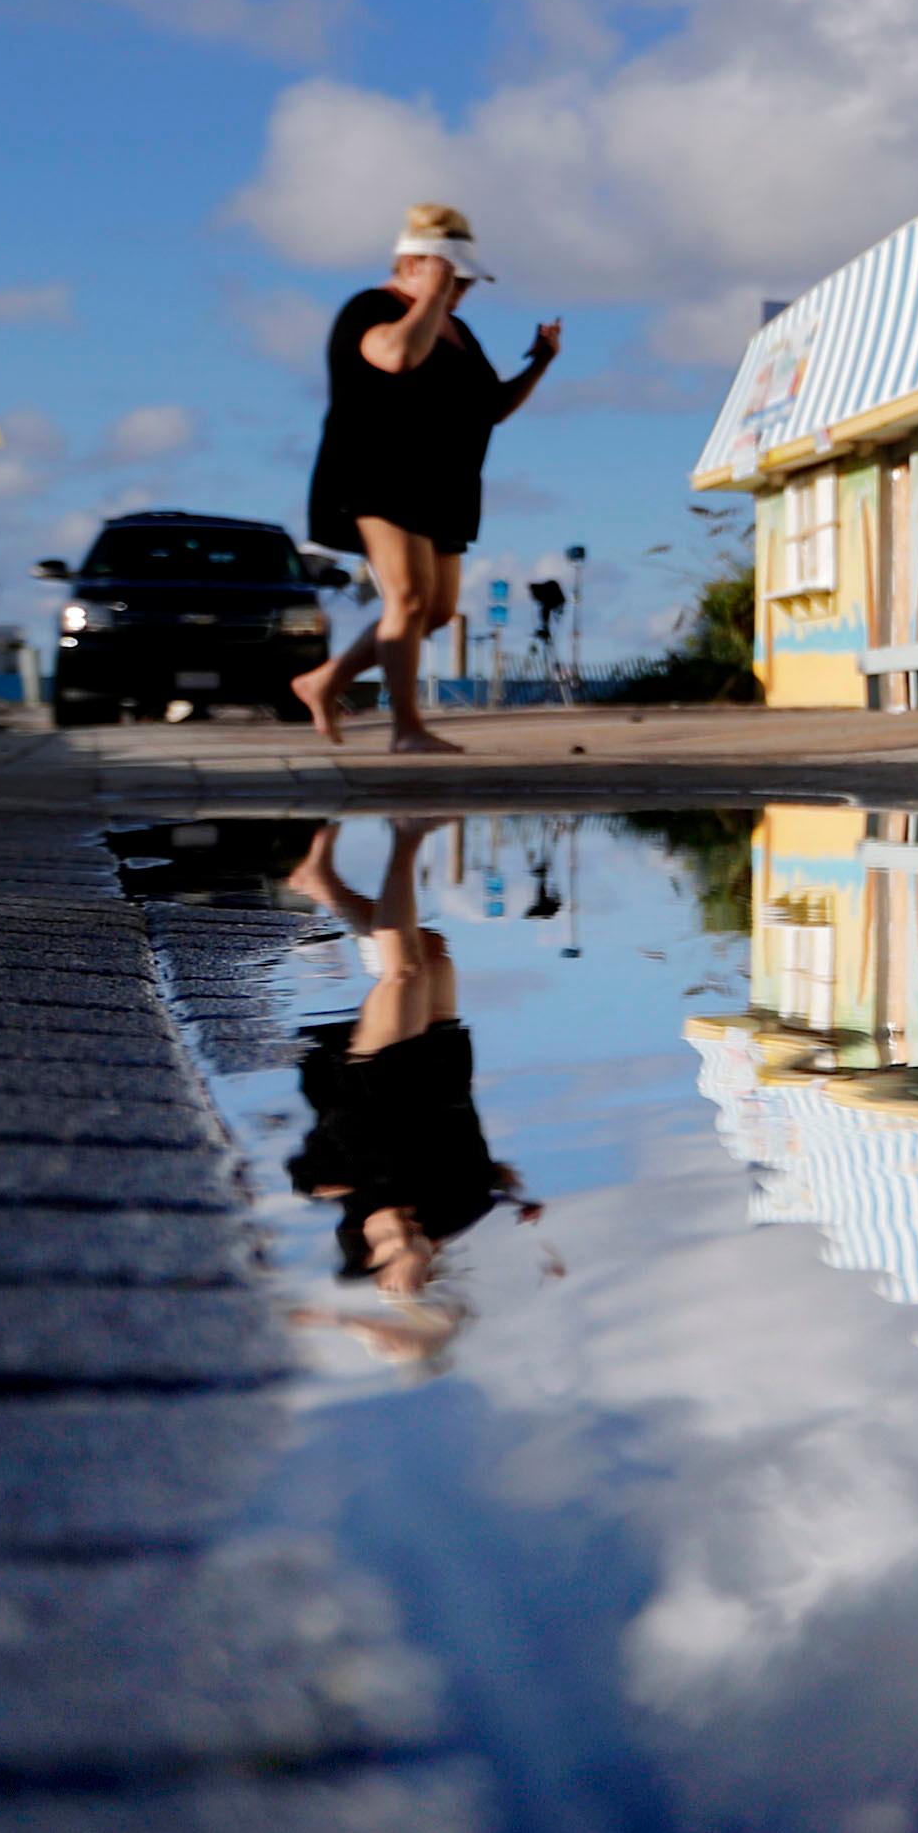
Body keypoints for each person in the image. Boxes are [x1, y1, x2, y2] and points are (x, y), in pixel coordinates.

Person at [292, 201, 556, 752]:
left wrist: (540, 362)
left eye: (464, 283)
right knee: (408, 598)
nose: (460, 291)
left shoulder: (457, 330)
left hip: (445, 486)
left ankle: (325, 682)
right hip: (378, 477)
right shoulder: (368, 309)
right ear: (414, 264)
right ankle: (407, 729)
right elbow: (395, 357)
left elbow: (492, 405)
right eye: (451, 277)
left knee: (434, 611)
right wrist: (431, 299)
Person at [279, 817, 535, 1367]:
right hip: (442, 1073)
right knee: (433, 950)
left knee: (404, 971)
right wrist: (505, 1184)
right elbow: (480, 1167)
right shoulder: (460, 1211)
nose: (420, 1267)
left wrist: (395, 1267)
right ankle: (320, 884)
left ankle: (407, 838)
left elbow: (375, 1207)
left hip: (380, 1082)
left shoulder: (360, 1238)